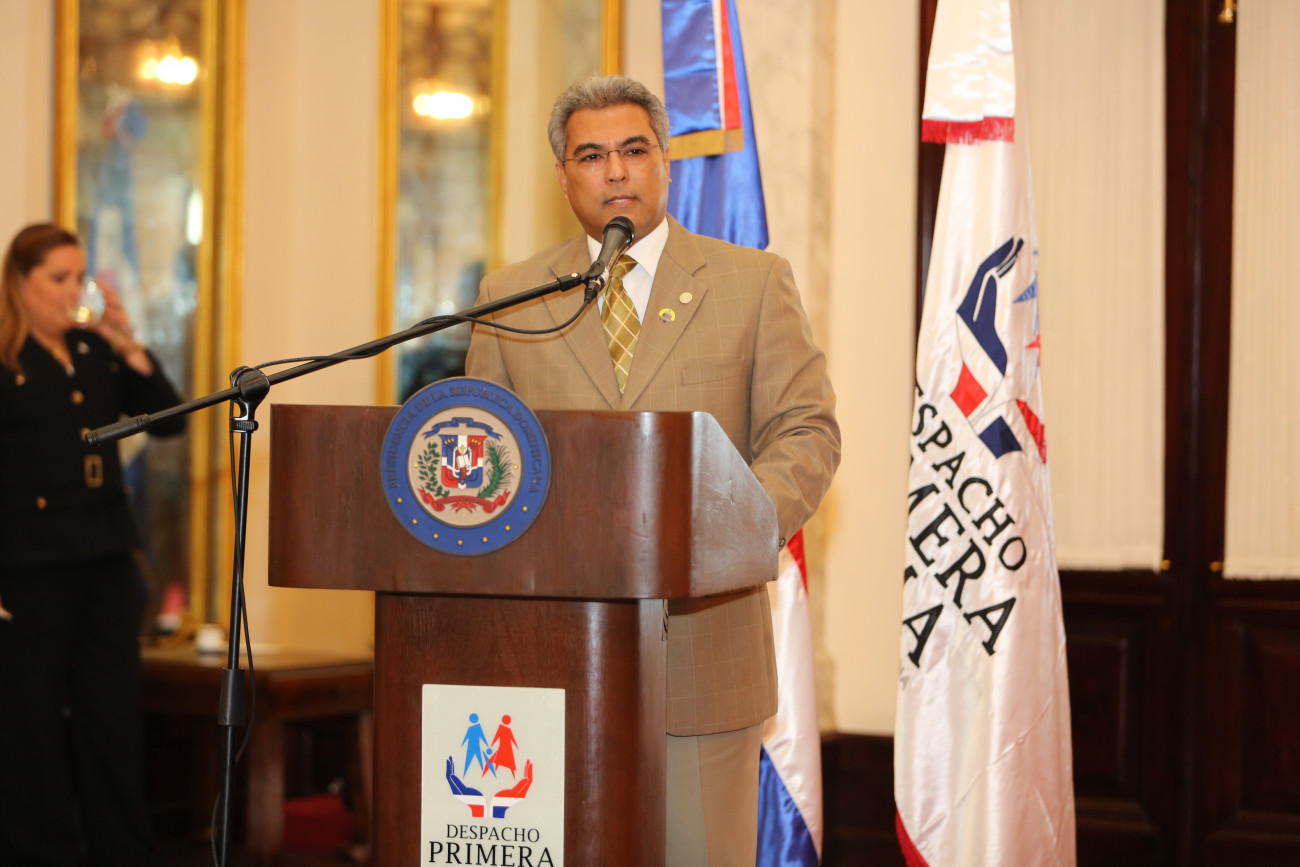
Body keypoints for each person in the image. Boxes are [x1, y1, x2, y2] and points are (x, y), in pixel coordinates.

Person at [465, 75, 840, 865]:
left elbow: (805, 431)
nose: (615, 171)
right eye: (591, 156)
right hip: (549, 661)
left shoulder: (752, 282)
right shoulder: (511, 297)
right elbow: (488, 459)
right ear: (563, 177)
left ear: (665, 163)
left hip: (704, 653)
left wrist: (730, 531)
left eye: (634, 150)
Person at [0, 222, 184, 866]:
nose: (72, 290)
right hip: (30, 566)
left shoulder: (94, 351)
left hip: (106, 559)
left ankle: (123, 851)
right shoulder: (8, 362)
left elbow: (167, 417)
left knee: (112, 716)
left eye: (79, 277)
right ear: (19, 283)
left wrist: (127, 341)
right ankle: (39, 852)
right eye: (58, 278)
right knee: (30, 721)